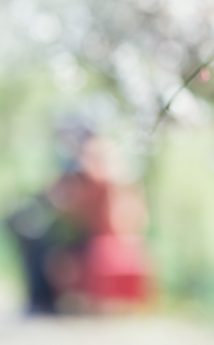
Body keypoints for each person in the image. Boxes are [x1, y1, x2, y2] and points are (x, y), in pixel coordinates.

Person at [8, 122, 151, 313]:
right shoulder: (101, 159)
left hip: (99, 235)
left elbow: (73, 199)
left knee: (42, 247)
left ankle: (42, 302)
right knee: (37, 241)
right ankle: (42, 301)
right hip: (95, 233)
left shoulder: (95, 157)